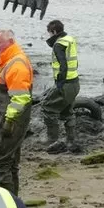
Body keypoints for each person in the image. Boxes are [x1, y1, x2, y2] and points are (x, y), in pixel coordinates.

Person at [0, 29, 33, 195]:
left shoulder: (16, 64)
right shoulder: (6, 61)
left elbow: (20, 98)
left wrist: (9, 121)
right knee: (10, 163)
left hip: (9, 122)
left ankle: (7, 205)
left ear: (11, 42)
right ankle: (14, 202)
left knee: (0, 164)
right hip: (3, 119)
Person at [42, 20, 82, 154]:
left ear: (53, 32)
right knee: (67, 111)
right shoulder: (69, 39)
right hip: (75, 82)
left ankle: (53, 140)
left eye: (49, 33)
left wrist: (59, 83)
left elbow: (63, 65)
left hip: (65, 84)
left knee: (47, 107)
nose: (48, 36)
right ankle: (71, 140)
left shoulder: (58, 45)